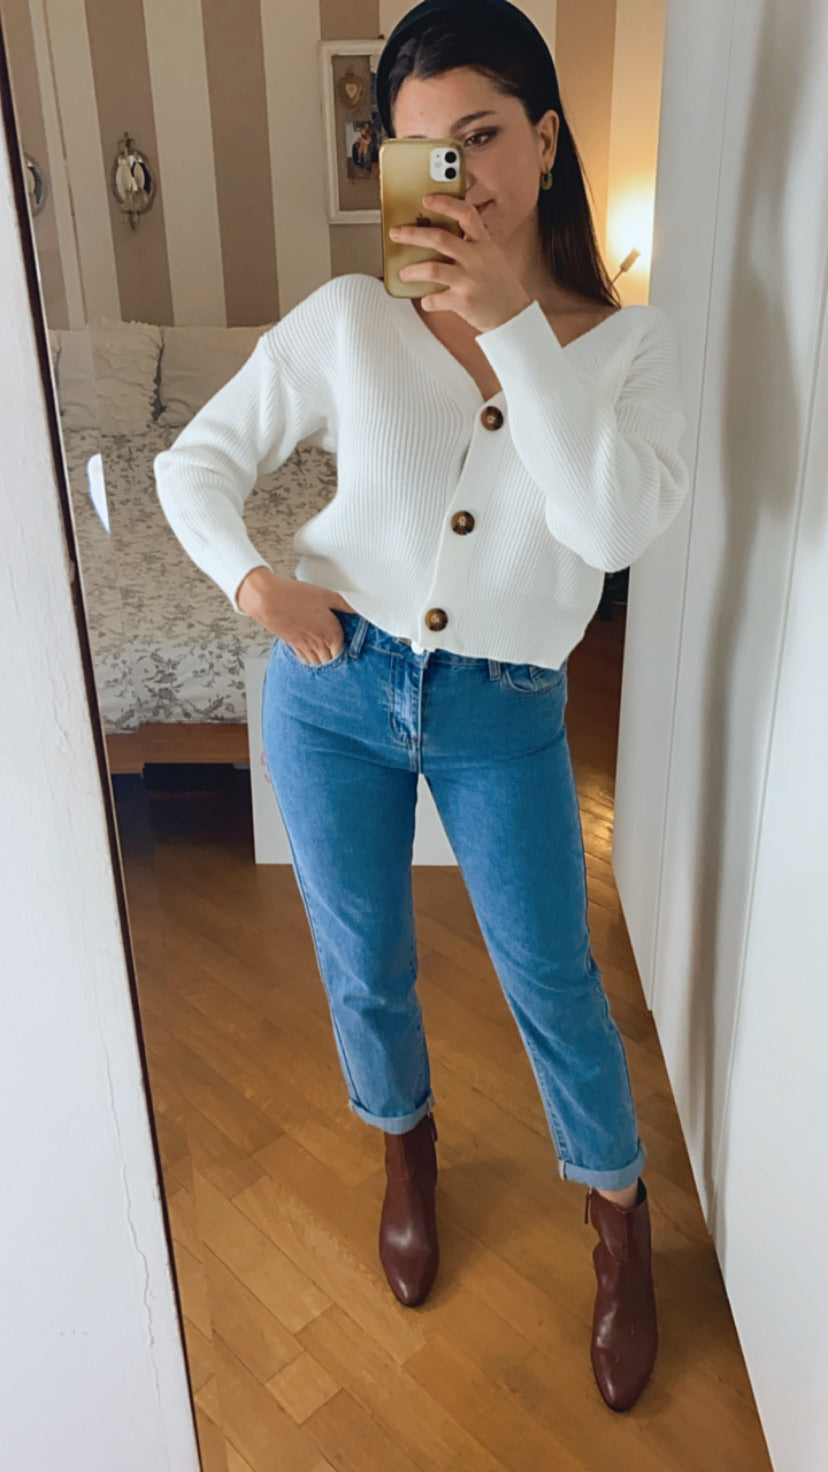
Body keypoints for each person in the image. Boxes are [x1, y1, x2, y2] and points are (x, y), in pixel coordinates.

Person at [154, 0, 689, 1414]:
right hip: (333, 693)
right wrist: (259, 586)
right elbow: (193, 464)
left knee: (552, 979)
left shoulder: (628, 351)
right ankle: (406, 1147)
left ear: (548, 140)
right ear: (391, 171)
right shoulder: (350, 322)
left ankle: (618, 1211)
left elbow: (609, 528)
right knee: (363, 960)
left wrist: (512, 320)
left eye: (485, 137)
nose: (464, 179)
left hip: (505, 708)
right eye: (424, 154)